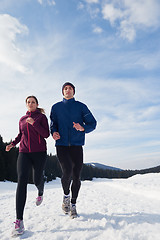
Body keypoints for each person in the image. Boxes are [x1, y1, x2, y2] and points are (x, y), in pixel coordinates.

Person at [50, 82, 97, 218]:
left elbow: (93, 123)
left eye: (70, 88)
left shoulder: (81, 107)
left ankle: (73, 205)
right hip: (61, 145)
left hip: (77, 145)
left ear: (73, 92)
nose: (68, 90)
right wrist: (53, 133)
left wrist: (83, 128)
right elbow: (53, 124)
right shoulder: (56, 107)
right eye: (65, 88)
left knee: (76, 176)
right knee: (67, 171)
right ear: (62, 92)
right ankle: (66, 196)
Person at [6, 96, 50, 236]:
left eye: (33, 102)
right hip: (24, 152)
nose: (30, 104)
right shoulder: (21, 119)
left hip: (39, 153)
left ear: (37, 104)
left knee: (37, 179)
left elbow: (46, 134)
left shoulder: (41, 117)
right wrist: (13, 144)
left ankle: (40, 191)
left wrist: (34, 124)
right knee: (22, 181)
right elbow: (21, 135)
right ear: (26, 105)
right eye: (28, 102)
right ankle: (19, 221)